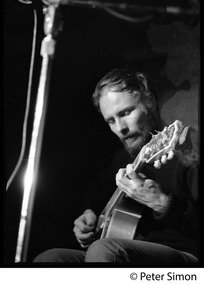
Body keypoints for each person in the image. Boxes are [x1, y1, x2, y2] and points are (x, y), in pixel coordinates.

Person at [33, 66, 199, 265]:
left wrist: (161, 202)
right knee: (51, 259)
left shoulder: (188, 145)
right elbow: (96, 191)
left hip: (185, 255)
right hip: (128, 255)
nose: (120, 128)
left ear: (150, 101)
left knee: (104, 249)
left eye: (126, 112)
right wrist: (89, 214)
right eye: (111, 120)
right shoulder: (123, 158)